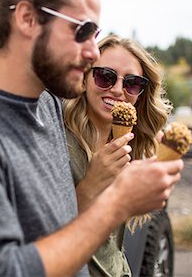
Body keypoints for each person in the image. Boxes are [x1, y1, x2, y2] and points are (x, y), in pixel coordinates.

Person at [0, 0, 183, 276]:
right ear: (27, 18)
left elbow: (61, 232)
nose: (93, 52)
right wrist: (118, 203)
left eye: (96, 35)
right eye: (82, 31)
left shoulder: (48, 107)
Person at [63, 34, 173, 277]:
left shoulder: (132, 148)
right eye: (105, 76)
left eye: (132, 83)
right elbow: (48, 235)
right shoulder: (59, 141)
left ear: (141, 93)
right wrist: (91, 183)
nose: (117, 90)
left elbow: (112, 246)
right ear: (85, 76)